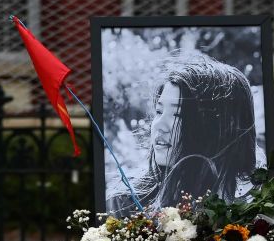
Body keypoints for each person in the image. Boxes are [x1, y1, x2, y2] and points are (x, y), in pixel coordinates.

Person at [107, 52, 262, 216]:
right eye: (159, 111)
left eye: (178, 114)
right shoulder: (128, 201)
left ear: (216, 127)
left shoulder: (258, 205)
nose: (159, 126)